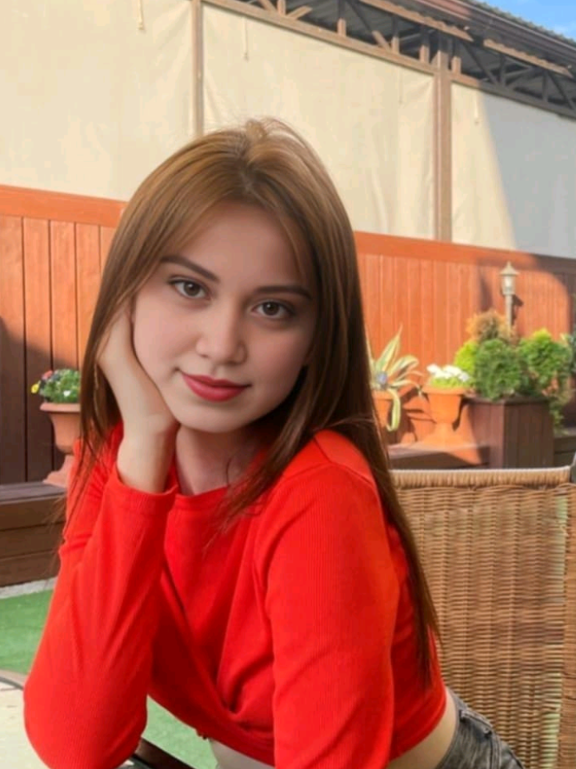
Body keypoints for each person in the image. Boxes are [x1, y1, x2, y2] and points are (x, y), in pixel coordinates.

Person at [23, 118, 524, 769]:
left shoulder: (319, 492)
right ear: (127, 297)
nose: (221, 345)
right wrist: (143, 451)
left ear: (316, 337)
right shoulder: (119, 455)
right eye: (190, 287)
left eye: (273, 308)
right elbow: (77, 743)